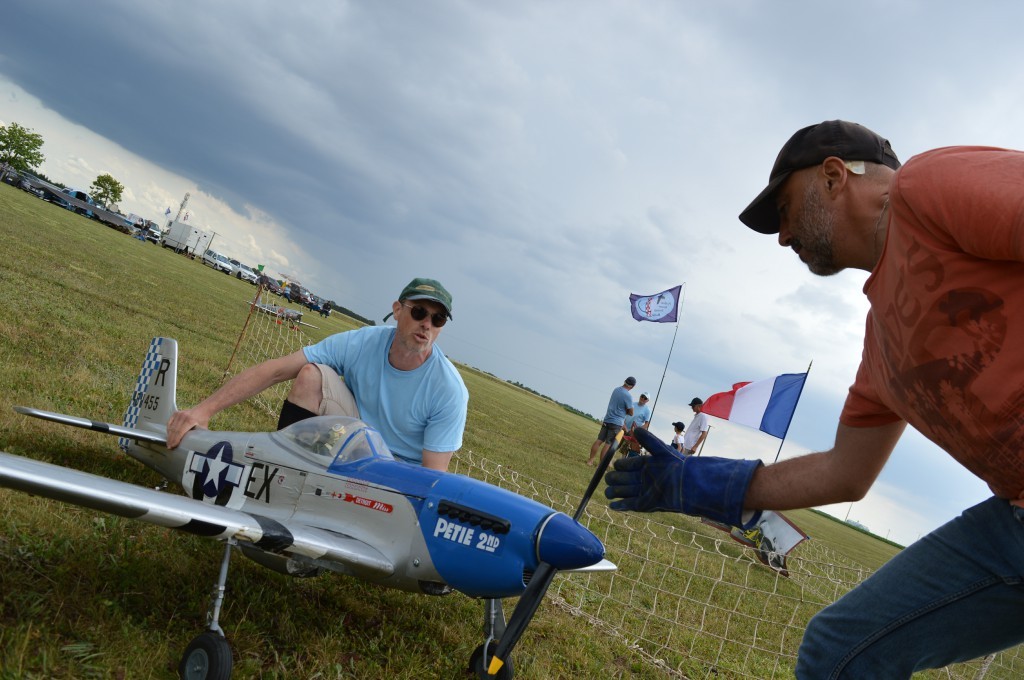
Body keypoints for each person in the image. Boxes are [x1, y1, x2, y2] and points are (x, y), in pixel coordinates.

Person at [605, 120, 1024, 677]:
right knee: (839, 651)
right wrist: (705, 485)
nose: (782, 237)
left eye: (784, 209)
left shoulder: (925, 187)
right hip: (1014, 526)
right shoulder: (882, 348)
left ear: (832, 177)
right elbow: (846, 473)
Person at [167, 277, 468, 472]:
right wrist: (203, 410)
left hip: (395, 474)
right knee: (311, 374)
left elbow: (432, 476)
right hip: (352, 443)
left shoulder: (449, 388)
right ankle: (284, 472)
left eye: (438, 318)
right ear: (398, 310)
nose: (427, 324)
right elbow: (276, 370)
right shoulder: (363, 342)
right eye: (419, 312)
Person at [586, 377, 635, 466]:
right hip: (616, 423)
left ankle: (590, 461)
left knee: (599, 440)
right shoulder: (628, 396)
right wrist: (626, 410)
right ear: (632, 387)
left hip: (607, 419)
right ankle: (601, 466)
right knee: (608, 444)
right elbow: (631, 412)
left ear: (625, 382)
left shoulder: (616, 389)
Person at [618, 391, 652, 457]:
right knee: (615, 445)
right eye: (642, 396)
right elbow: (625, 415)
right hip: (623, 428)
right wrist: (623, 424)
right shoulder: (632, 404)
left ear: (647, 400)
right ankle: (609, 460)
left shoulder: (647, 410)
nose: (643, 398)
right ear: (640, 396)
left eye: (645, 398)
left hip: (633, 433)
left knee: (625, 449)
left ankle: (623, 463)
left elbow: (647, 424)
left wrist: (637, 430)